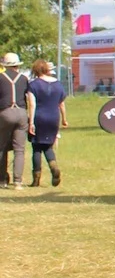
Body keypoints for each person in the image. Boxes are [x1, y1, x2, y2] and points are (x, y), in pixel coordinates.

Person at [27, 59, 67, 187]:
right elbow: (61, 104)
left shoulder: (33, 84)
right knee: (48, 146)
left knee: (37, 148)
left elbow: (32, 104)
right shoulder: (58, 84)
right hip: (53, 117)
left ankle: (36, 179)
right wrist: (64, 119)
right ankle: (53, 166)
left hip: (39, 117)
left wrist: (31, 122)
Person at [0, 52, 32, 189]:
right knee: (19, 149)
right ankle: (18, 181)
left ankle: (2, 180)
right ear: (17, 65)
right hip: (21, 112)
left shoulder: (1, 78)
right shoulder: (24, 78)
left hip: (5, 112)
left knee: (2, 147)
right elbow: (29, 98)